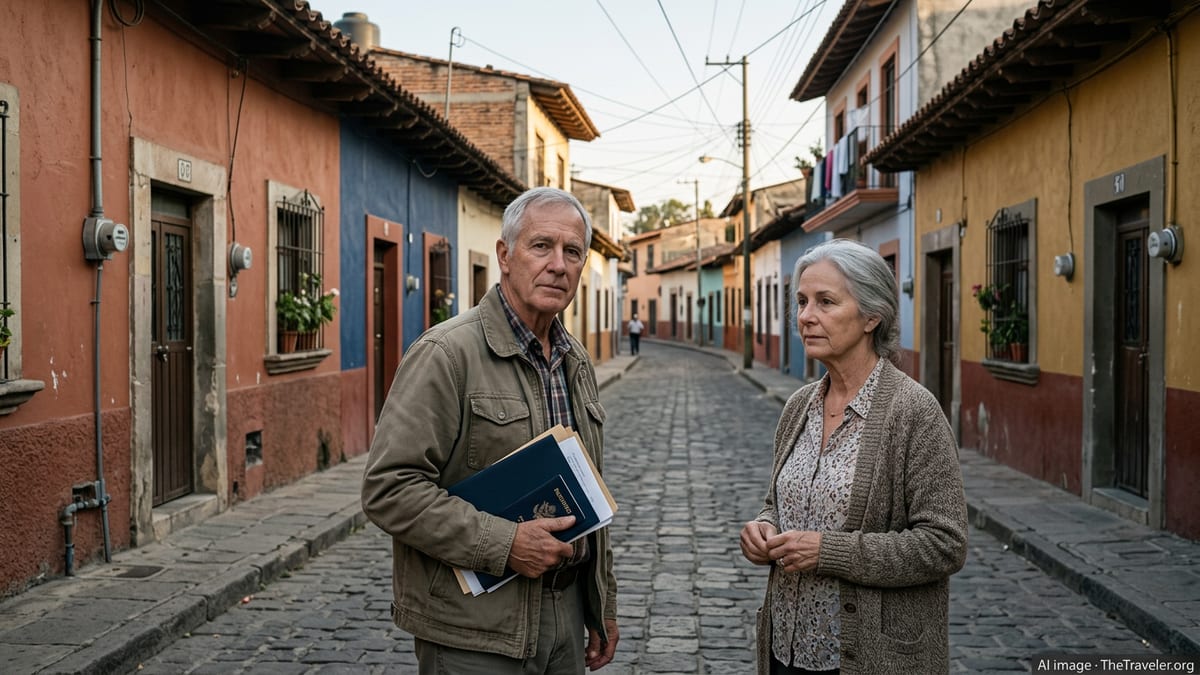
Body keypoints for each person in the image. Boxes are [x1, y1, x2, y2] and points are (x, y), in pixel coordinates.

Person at [362, 187, 619, 674]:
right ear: (504, 255)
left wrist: (600, 604)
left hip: (564, 621)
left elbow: (590, 496)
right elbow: (388, 489)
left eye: (572, 252)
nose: (558, 265)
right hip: (473, 635)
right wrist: (505, 544)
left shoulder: (575, 361)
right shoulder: (446, 354)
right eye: (541, 246)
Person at [739, 239, 967, 674]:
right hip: (785, 650)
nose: (806, 316)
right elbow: (780, 502)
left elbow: (945, 545)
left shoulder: (913, 412)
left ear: (872, 315)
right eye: (802, 301)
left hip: (868, 659)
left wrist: (829, 552)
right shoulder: (799, 407)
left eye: (826, 302)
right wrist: (764, 528)